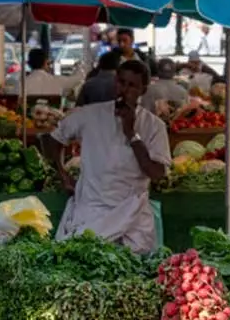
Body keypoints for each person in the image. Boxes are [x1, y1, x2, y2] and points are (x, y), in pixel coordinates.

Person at [42, 60, 170, 254]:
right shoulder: (89, 115)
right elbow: (53, 141)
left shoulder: (154, 126)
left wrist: (132, 134)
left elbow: (157, 173)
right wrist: (63, 174)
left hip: (132, 217)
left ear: (143, 90)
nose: (124, 90)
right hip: (91, 211)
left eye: (132, 85)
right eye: (121, 82)